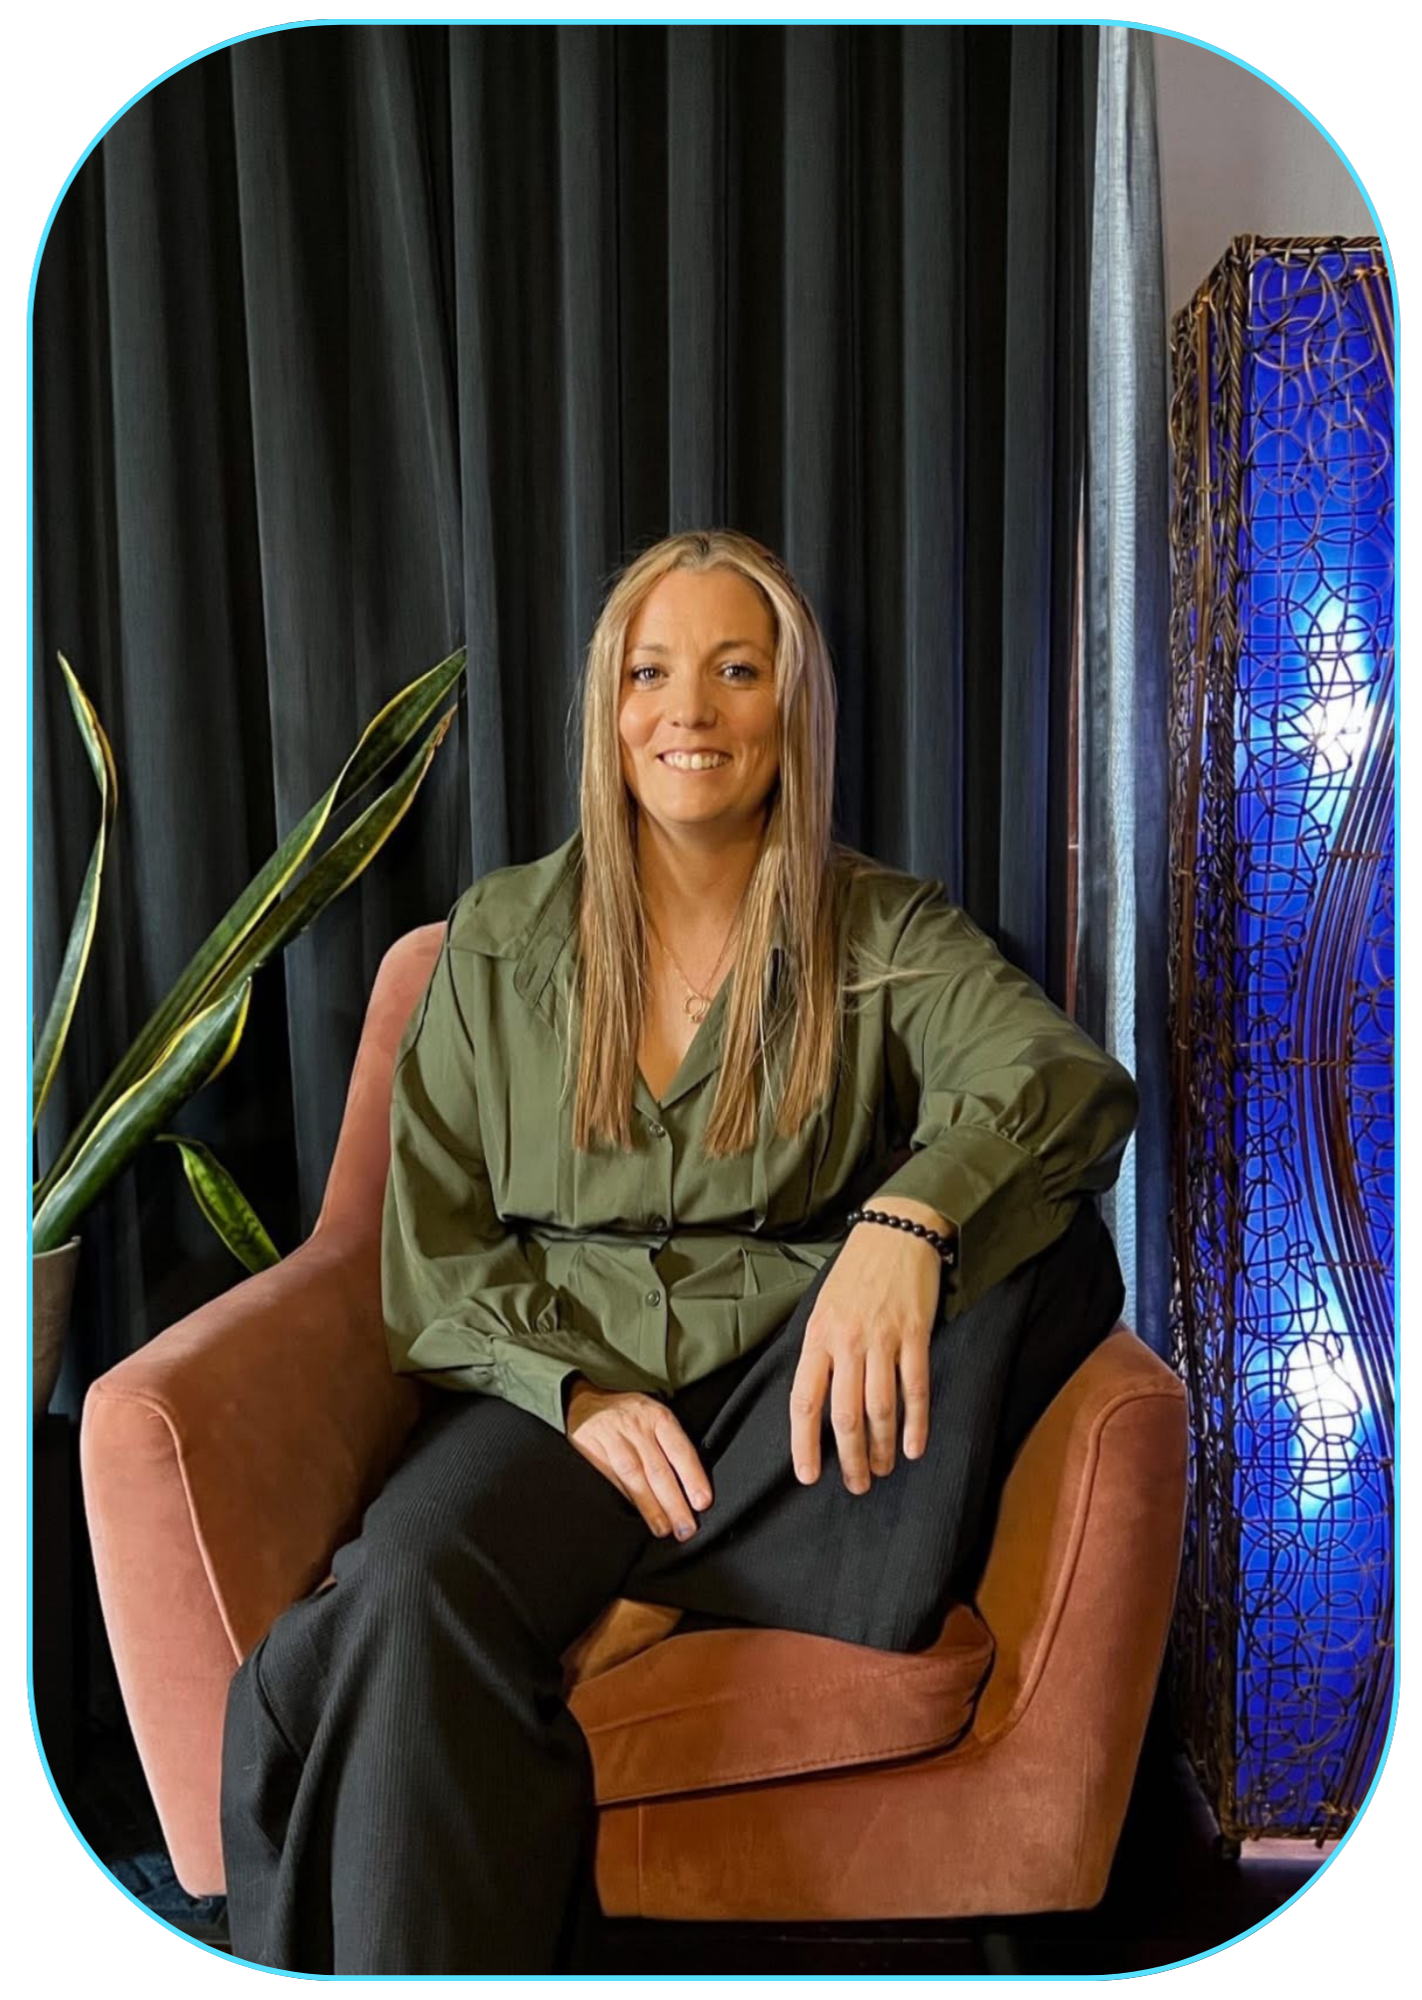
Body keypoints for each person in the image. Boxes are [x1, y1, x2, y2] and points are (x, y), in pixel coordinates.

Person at [219, 528, 1139, 1975]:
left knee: (1047, 1251)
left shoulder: (878, 928)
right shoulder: (496, 942)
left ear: (791, 706)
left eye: (734, 668)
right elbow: (433, 1258)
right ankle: (650, 1591)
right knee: (399, 1581)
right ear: (608, 706)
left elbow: (1064, 1082)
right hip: (566, 1395)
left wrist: (903, 1219)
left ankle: (663, 1590)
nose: (689, 711)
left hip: (789, 1392)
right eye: (652, 673)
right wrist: (576, 1401)